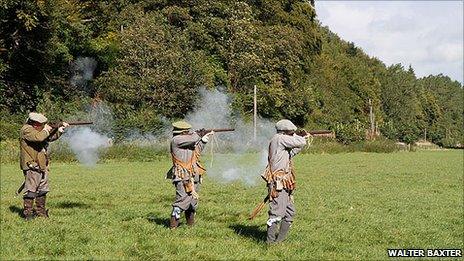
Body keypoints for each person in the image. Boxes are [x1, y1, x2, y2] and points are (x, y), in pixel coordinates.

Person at [261, 119, 310, 243]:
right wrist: (302, 137)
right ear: (285, 132)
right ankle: (270, 243)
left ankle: (279, 242)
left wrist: (300, 138)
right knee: (276, 213)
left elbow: (292, 152)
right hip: (278, 182)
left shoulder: (281, 141)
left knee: (289, 213)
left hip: (285, 181)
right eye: (291, 132)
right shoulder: (279, 138)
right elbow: (300, 142)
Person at [19, 112, 68, 220]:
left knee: (42, 190)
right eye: (40, 123)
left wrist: (59, 131)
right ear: (34, 123)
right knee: (31, 190)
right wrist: (46, 129)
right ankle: (28, 214)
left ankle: (41, 212)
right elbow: (39, 138)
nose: (42, 125)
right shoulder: (26, 129)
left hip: (42, 164)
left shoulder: (38, 130)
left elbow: (48, 138)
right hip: (32, 164)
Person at [166, 121, 214, 229]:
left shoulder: (188, 141)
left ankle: (190, 225)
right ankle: (173, 227)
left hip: (194, 174)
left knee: (192, 202)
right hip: (182, 175)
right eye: (187, 131)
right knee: (182, 201)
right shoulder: (177, 140)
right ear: (183, 132)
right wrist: (199, 134)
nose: (189, 133)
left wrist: (204, 140)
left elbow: (196, 151)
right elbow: (193, 138)